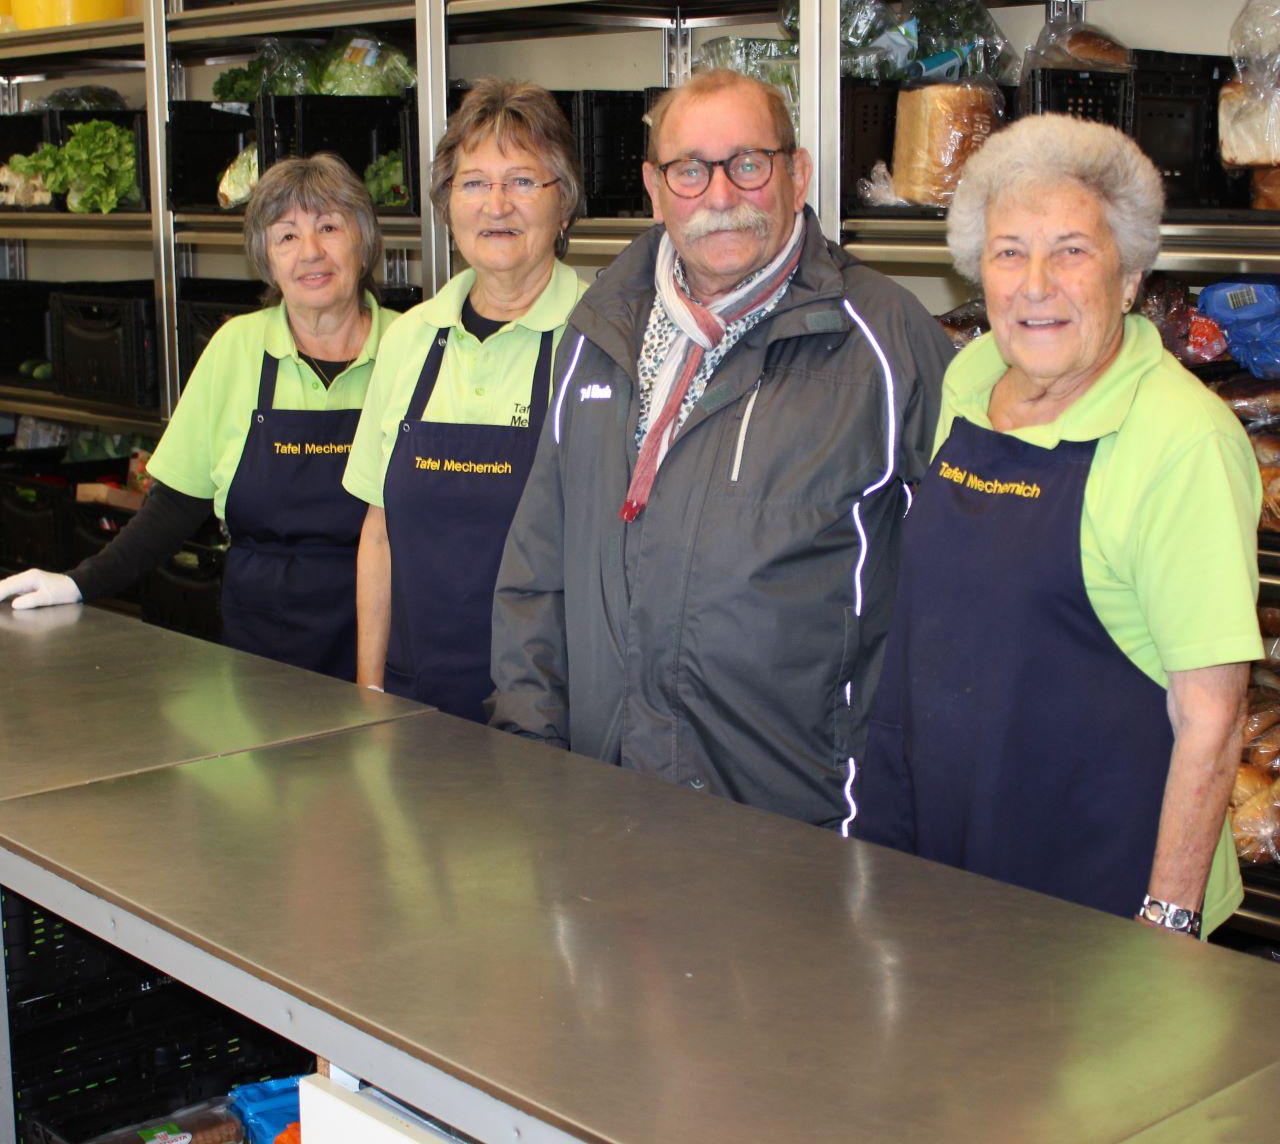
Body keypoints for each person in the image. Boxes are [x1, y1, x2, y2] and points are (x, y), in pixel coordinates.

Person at [486, 68, 953, 828]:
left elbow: (955, 612)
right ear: (654, 188)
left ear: (797, 174)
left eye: (749, 163)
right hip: (605, 808)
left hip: (801, 828)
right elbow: (538, 568)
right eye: (690, 170)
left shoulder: (886, 344)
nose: (720, 194)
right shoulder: (599, 331)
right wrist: (530, 756)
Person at [857, 114, 1261, 938]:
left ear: (1130, 275)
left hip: (1098, 893)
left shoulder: (1183, 441)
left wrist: (1166, 924)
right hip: (945, 854)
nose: (1035, 284)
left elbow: (1212, 718)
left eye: (1071, 250)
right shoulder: (972, 377)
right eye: (1009, 252)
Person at [0, 153, 399, 683]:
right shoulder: (236, 348)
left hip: (394, 636)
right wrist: (79, 583)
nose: (311, 252)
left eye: (329, 227)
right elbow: (174, 506)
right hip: (263, 644)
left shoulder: (411, 346)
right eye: (287, 236)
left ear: (363, 240)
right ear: (266, 258)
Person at [343, 77, 589, 718]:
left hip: (554, 712)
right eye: (474, 183)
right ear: (448, 206)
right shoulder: (408, 338)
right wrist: (370, 693)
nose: (496, 205)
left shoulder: (603, 339)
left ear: (564, 205)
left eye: (522, 181)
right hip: (413, 697)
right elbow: (378, 534)